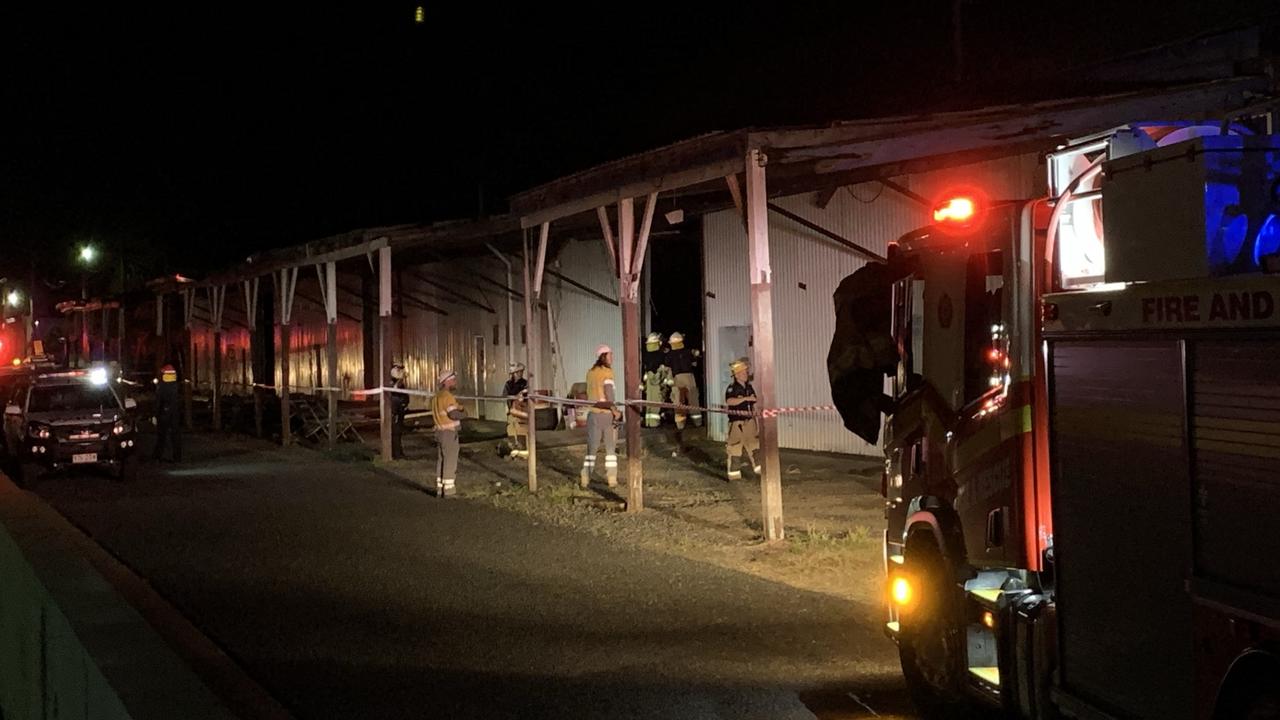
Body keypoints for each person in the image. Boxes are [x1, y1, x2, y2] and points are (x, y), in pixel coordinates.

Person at [581, 344, 620, 488]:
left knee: (592, 448)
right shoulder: (607, 373)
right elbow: (609, 393)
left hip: (593, 414)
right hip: (606, 415)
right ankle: (612, 478)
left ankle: (585, 475)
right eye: (610, 355)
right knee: (610, 449)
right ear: (604, 356)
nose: (612, 357)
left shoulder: (590, 372)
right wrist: (615, 410)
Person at [724, 357, 761, 480]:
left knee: (754, 444)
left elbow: (754, 401)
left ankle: (760, 470)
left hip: (749, 420)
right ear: (738, 374)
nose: (747, 374)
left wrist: (756, 416)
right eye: (744, 372)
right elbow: (730, 401)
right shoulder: (732, 388)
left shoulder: (749, 387)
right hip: (737, 422)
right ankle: (734, 474)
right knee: (735, 447)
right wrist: (744, 399)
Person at [431, 370, 465, 497]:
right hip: (449, 434)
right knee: (450, 460)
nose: (455, 382)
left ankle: (440, 488)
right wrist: (464, 414)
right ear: (447, 381)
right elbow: (453, 414)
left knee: (442, 460)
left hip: (439, 432)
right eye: (453, 380)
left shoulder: (436, 397)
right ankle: (449, 491)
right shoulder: (447, 396)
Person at [666, 331, 702, 428]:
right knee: (693, 400)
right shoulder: (688, 352)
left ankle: (680, 425)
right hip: (689, 377)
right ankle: (697, 422)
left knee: (678, 402)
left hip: (677, 378)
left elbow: (667, 367)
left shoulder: (670, 354)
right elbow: (695, 363)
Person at [641, 332, 672, 428]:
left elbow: (645, 370)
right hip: (658, 381)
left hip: (648, 382)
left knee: (649, 401)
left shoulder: (645, 355)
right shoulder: (661, 355)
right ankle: (655, 423)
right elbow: (664, 369)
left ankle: (648, 422)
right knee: (656, 402)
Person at [153, 363, 182, 462]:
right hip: (174, 411)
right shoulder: (175, 385)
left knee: (162, 435)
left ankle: (157, 456)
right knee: (175, 435)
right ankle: (177, 456)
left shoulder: (162, 386)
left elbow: (158, 401)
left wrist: (155, 415)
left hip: (164, 412)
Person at [503, 362, 529, 459]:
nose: (520, 373)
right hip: (512, 411)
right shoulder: (508, 384)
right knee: (511, 429)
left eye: (521, 371)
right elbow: (505, 396)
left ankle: (522, 450)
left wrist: (522, 396)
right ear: (514, 373)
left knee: (521, 429)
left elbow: (526, 396)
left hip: (521, 411)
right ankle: (512, 450)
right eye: (518, 372)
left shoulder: (525, 383)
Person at [389, 361, 409, 460]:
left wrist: (404, 404)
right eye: (399, 369)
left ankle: (399, 452)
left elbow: (405, 397)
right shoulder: (391, 384)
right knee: (395, 433)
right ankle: (396, 454)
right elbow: (393, 398)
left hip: (400, 412)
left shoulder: (401, 384)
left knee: (398, 433)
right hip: (394, 413)